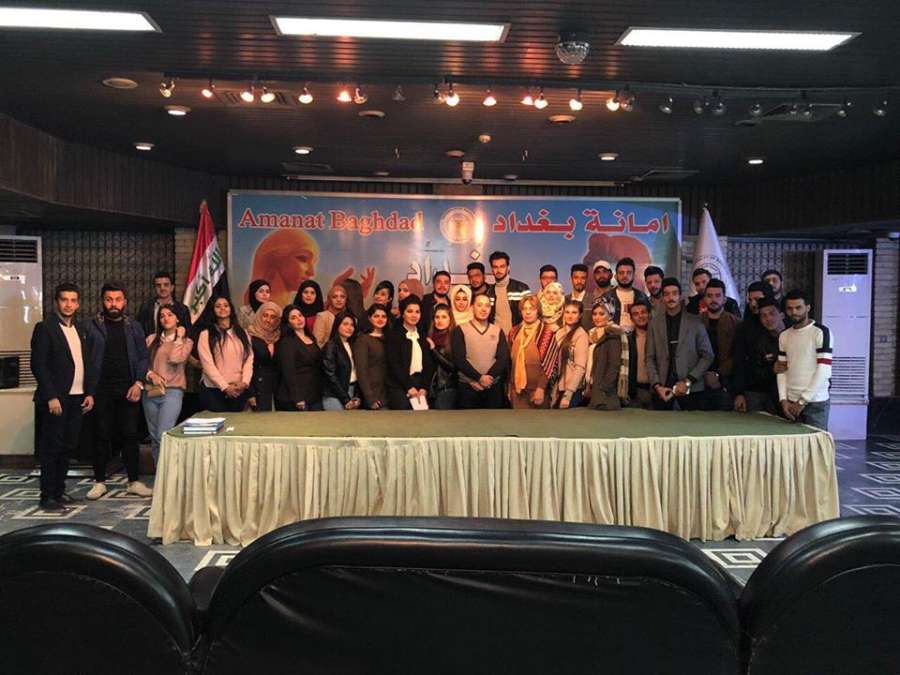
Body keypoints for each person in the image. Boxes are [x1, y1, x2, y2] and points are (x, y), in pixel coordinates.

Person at [30, 282, 95, 510]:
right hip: (56, 399)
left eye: (73, 300)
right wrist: (51, 396)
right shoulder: (44, 328)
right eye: (64, 300)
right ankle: (47, 495)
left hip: (77, 397)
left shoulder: (79, 329)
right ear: (57, 302)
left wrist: (89, 392)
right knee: (52, 448)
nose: (68, 304)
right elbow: (38, 365)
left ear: (78, 304)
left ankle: (59, 491)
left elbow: (84, 363)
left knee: (68, 447)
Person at [86, 283, 153, 500]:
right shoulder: (91, 326)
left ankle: (133, 482)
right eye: (109, 299)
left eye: (117, 299)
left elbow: (143, 357)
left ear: (124, 301)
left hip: (129, 389)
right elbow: (85, 359)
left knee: (130, 435)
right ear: (102, 301)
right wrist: (88, 390)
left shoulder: (134, 326)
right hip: (101, 390)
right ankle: (99, 482)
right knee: (100, 435)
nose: (113, 304)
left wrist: (139, 383)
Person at [646, 277, 714, 411]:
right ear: (662, 298)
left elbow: (708, 356)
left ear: (681, 296)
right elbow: (649, 358)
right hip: (662, 389)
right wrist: (657, 386)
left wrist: (688, 381)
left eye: (674, 293)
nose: (671, 298)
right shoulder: (654, 324)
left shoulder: (695, 322)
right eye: (666, 294)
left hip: (692, 389)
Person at [142, 306, 192, 465]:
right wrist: (151, 374)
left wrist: (179, 337)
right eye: (162, 316)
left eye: (170, 315)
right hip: (151, 391)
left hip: (172, 391)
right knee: (154, 436)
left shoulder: (186, 341)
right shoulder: (151, 339)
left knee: (163, 434)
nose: (165, 318)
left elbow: (176, 359)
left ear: (177, 319)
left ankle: (169, 473)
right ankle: (159, 475)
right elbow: (141, 363)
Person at [777, 289, 833, 430]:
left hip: (815, 402)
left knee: (816, 443)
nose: (794, 312)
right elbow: (781, 370)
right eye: (789, 308)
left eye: (798, 308)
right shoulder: (784, 335)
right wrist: (783, 399)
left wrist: (802, 401)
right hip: (790, 402)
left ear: (808, 307)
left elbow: (824, 370)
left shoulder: (821, 332)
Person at [452, 294, 510, 409]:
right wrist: (478, 378)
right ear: (472, 307)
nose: (484, 309)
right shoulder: (460, 330)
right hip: (468, 387)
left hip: (493, 387)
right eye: (479, 305)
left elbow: (503, 358)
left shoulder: (498, 331)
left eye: (487, 306)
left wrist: (489, 378)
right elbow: (459, 359)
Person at [197, 295, 254, 413]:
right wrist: (225, 387)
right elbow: (208, 365)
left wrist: (245, 382)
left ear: (231, 309)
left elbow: (249, 359)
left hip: (238, 389)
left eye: (226, 305)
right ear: (213, 310)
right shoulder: (205, 335)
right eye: (218, 306)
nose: (222, 308)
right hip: (214, 390)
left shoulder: (243, 333)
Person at [733, 297, 784, 415]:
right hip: (765, 393)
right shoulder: (758, 341)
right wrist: (772, 369)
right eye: (763, 316)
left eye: (772, 314)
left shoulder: (794, 336)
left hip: (794, 394)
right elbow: (753, 370)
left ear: (782, 315)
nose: (768, 319)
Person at [507, 295, 559, 409]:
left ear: (538, 311)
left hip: (538, 391)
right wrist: (510, 387)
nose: (528, 312)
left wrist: (541, 388)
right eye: (524, 309)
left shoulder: (546, 333)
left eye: (532, 309)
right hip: (517, 391)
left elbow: (550, 365)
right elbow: (510, 364)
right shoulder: (513, 332)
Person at [386, 295, 434, 410]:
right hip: (400, 385)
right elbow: (394, 364)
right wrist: (409, 387)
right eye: (410, 311)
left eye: (417, 312)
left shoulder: (422, 335)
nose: (414, 315)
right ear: (403, 313)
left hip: (420, 383)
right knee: (405, 413)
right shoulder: (394, 335)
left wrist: (424, 388)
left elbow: (428, 364)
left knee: (423, 414)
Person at [700, 279, 739, 411]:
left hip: (726, 383)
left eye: (718, 296)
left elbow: (738, 354)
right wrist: (704, 374)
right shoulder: (696, 322)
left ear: (724, 299)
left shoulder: (736, 323)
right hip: (699, 382)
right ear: (704, 299)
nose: (713, 300)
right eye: (709, 296)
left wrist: (718, 375)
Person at [275, 305, 323, 411]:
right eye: (293, 318)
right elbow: (288, 371)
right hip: (296, 397)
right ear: (288, 323)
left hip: (314, 394)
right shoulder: (287, 342)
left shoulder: (311, 337)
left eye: (300, 315)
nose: (299, 319)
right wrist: (297, 398)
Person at [322, 311, 362, 411]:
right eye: (345, 324)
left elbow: (356, 372)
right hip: (334, 395)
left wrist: (357, 395)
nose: (349, 327)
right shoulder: (331, 345)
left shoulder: (353, 345)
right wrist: (345, 399)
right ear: (337, 325)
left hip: (351, 390)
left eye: (352, 325)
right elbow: (330, 375)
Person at [246, 301, 282, 411]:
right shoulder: (249, 336)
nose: (268, 320)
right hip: (256, 388)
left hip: (276, 390)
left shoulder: (280, 337)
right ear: (259, 316)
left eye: (273, 317)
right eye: (265, 315)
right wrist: (250, 393)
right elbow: (244, 366)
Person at [586, 302, 622, 411]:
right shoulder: (591, 334)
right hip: (595, 388)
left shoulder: (613, 333)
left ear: (610, 316)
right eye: (594, 314)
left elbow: (614, 365)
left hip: (606, 394)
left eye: (602, 314)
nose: (597, 317)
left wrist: (605, 387)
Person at [353, 304, 390, 410]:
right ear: (369, 318)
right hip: (373, 393)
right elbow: (361, 371)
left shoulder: (390, 338)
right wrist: (370, 397)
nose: (380, 319)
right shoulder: (363, 340)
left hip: (389, 391)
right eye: (376, 316)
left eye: (383, 316)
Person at [553, 300, 589, 409]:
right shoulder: (559, 333)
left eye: (574, 312)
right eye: (567, 312)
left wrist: (568, 394)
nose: (570, 316)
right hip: (558, 386)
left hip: (573, 389)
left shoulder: (581, 335)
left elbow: (580, 367)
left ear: (580, 315)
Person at [486, 251, 530, 335]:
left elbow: (530, 315)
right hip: (495, 337)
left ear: (508, 268)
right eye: (495, 267)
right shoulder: (489, 292)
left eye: (502, 266)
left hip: (517, 337)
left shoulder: (522, 289)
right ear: (492, 269)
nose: (498, 270)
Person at [136, 271, 191, 337]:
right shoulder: (145, 308)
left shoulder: (182, 309)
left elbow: (188, 332)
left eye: (166, 285)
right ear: (155, 288)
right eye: (158, 285)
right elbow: (139, 331)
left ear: (172, 287)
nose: (162, 288)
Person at [621, 300, 654, 409]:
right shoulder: (627, 340)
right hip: (635, 392)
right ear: (631, 318)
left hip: (656, 390)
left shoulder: (658, 337)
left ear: (649, 314)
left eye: (643, 312)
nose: (640, 316)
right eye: (636, 314)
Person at [603, 257, 649, 329]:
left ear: (634, 276)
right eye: (621, 273)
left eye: (629, 273)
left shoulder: (642, 296)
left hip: (637, 335)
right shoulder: (607, 297)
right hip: (614, 335)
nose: (625, 276)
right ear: (616, 276)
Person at [427, 305, 458, 409]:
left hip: (446, 388)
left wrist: (433, 350)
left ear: (450, 319)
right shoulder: (429, 336)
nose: (440, 320)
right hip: (429, 388)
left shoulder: (455, 338)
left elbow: (454, 367)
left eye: (444, 317)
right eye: (437, 317)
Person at [582, 260, 613, 330]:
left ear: (611, 274)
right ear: (594, 276)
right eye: (598, 272)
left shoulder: (617, 294)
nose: (601, 275)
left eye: (604, 272)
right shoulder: (587, 297)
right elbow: (585, 323)